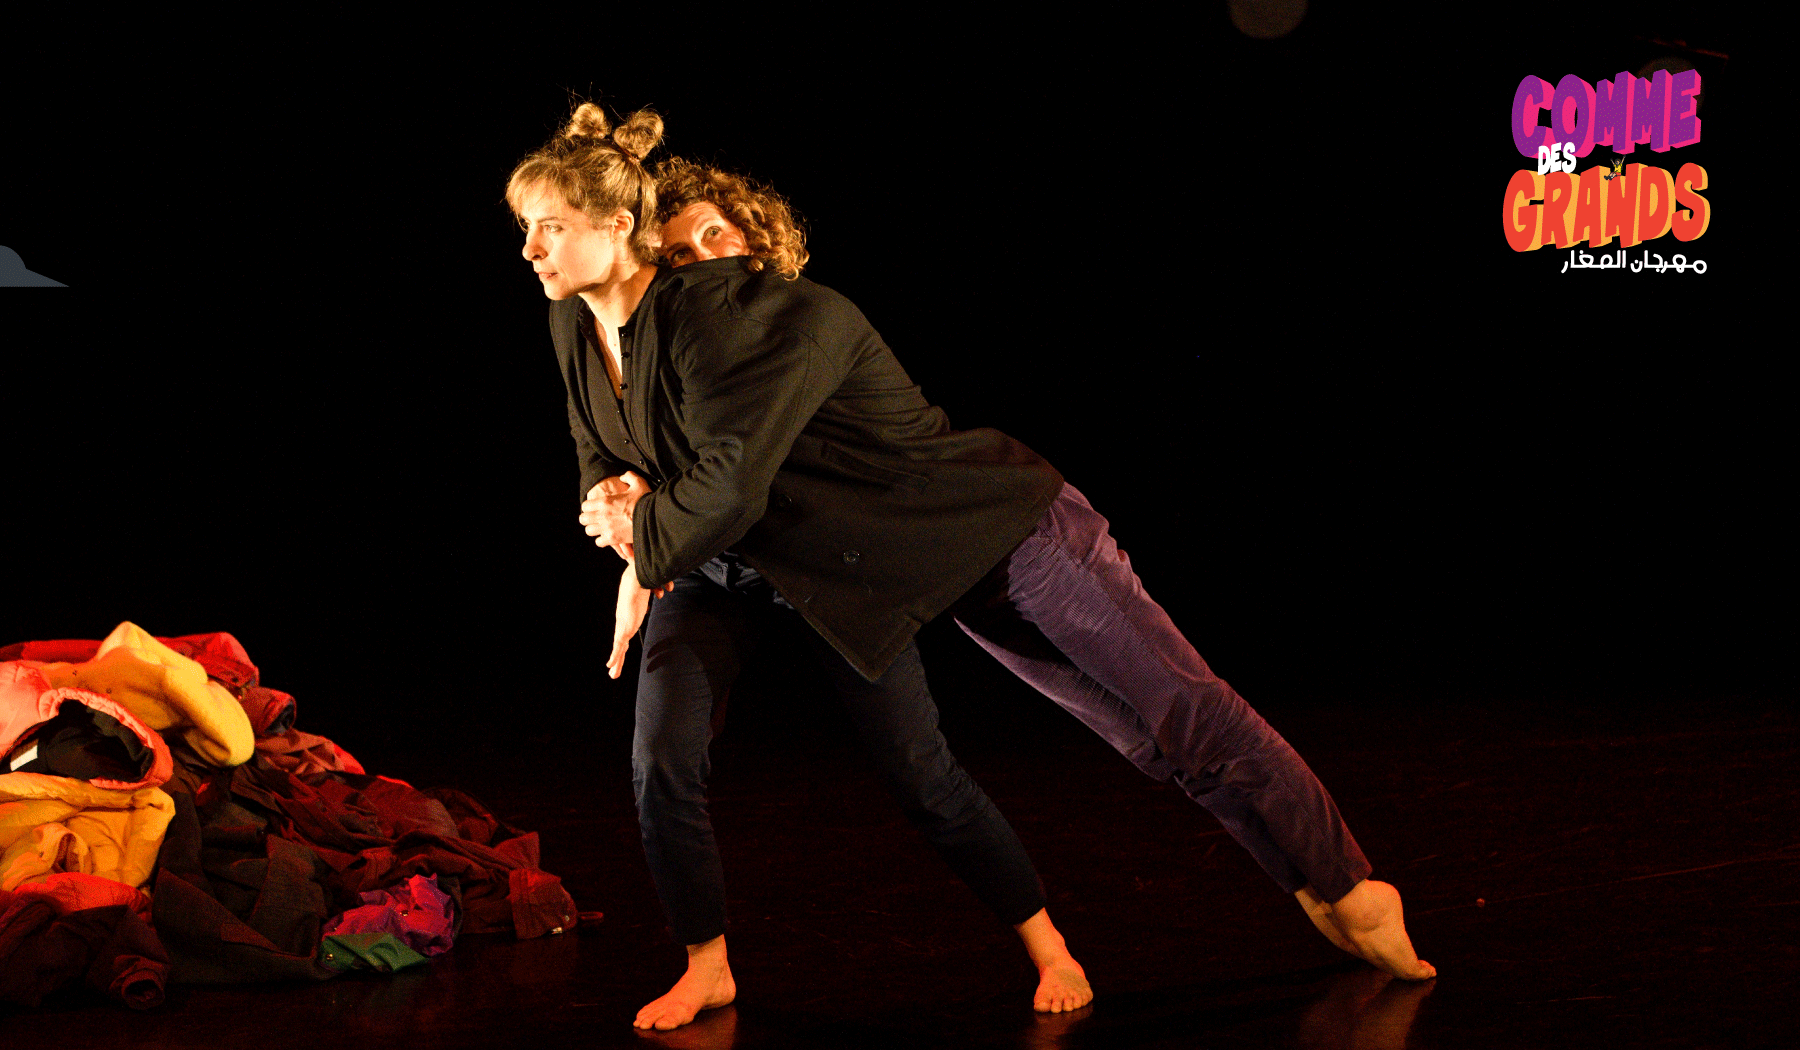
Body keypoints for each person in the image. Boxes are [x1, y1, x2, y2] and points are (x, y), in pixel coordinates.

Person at [642, 158, 1439, 983]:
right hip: (965, 583)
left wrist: (650, 512)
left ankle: (1355, 885)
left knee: (1188, 711)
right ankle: (1310, 885)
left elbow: (730, 477)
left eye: (715, 236)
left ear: (754, 242)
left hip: (1022, 535)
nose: (702, 263)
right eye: (677, 255)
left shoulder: (804, 320)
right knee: (1153, 744)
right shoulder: (708, 377)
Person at [508, 104, 1092, 1032]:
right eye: (525, 228)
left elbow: (730, 481)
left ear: (618, 226)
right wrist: (611, 507)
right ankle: (707, 967)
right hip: (709, 568)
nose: (531, 249)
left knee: (921, 774)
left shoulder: (704, 316)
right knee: (660, 763)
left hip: (809, 560)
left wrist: (641, 538)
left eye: (549, 227)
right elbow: (596, 442)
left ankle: (1047, 943)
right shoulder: (568, 323)